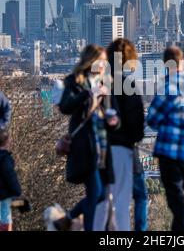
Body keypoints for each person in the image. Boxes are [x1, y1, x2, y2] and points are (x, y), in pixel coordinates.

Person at [53, 44, 120, 231]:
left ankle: (68, 217)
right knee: (96, 193)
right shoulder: (75, 81)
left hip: (103, 147)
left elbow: (113, 113)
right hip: (85, 147)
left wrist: (114, 120)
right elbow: (66, 107)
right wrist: (87, 94)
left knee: (101, 196)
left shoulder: (105, 83)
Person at [147, 46, 184, 231]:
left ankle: (183, 231)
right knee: (179, 192)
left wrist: (165, 120)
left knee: (175, 198)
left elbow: (152, 119)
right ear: (182, 61)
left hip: (169, 149)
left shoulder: (167, 87)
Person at [94, 38, 145, 231]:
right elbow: (137, 125)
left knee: (102, 201)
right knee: (122, 203)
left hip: (100, 150)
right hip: (121, 149)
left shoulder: (100, 83)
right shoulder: (127, 85)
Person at [0, 129, 21, 231]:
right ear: (6, 142)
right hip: (3, 195)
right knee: (5, 219)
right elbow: (10, 175)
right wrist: (17, 191)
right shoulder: (5, 158)